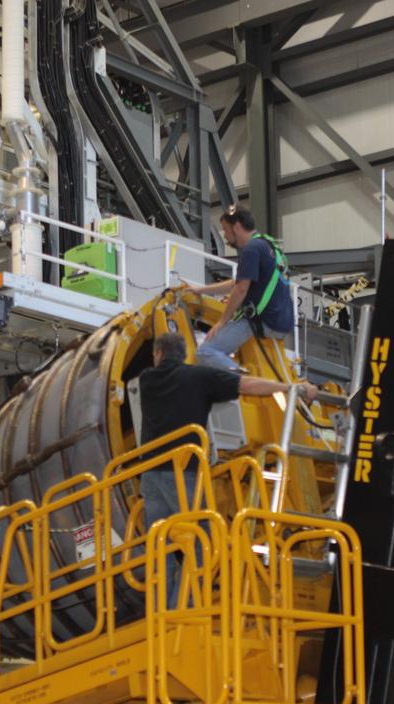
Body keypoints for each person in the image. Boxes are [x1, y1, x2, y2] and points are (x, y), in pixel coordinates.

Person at [138, 332, 316, 608]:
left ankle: (159, 611)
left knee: (160, 545)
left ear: (158, 354)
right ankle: (180, 611)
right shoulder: (199, 377)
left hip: (150, 475)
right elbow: (249, 385)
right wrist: (288, 387)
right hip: (183, 472)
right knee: (203, 542)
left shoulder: (147, 380)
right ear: (185, 354)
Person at [184, 205, 295, 373]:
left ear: (236, 226)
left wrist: (222, 322)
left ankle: (244, 380)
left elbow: (241, 289)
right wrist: (201, 290)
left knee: (206, 352)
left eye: (225, 230)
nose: (226, 237)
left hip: (263, 321)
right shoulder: (268, 246)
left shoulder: (251, 250)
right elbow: (237, 283)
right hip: (283, 322)